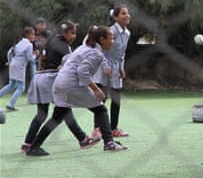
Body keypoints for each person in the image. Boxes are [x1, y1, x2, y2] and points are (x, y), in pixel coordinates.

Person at [26, 26, 128, 156]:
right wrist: (96, 89)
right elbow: (82, 72)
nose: (113, 41)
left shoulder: (85, 48)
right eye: (111, 38)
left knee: (57, 116)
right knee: (100, 109)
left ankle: (33, 147)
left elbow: (72, 62)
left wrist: (106, 67)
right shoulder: (95, 53)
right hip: (72, 85)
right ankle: (109, 143)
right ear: (102, 39)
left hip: (60, 83)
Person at [22, 21, 99, 152]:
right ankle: (83, 139)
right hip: (51, 79)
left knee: (43, 114)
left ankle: (27, 143)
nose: (74, 36)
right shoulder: (65, 47)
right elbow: (66, 66)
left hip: (40, 77)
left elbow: (43, 58)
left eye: (74, 33)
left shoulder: (51, 40)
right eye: (71, 33)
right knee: (64, 110)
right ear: (63, 33)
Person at [91, 5, 131, 138]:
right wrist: (105, 66)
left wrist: (121, 67)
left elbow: (122, 53)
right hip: (104, 66)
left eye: (127, 13)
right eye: (123, 13)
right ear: (115, 17)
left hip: (116, 67)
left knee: (116, 99)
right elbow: (99, 49)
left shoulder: (127, 33)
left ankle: (114, 128)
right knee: (102, 97)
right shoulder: (110, 30)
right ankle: (97, 129)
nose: (127, 16)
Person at [0, 27, 35, 111]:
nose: (34, 36)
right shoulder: (29, 45)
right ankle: (10, 104)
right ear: (27, 35)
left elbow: (9, 52)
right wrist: (35, 56)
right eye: (33, 34)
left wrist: (10, 61)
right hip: (20, 66)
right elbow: (29, 58)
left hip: (13, 64)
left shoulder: (19, 43)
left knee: (11, 84)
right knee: (21, 87)